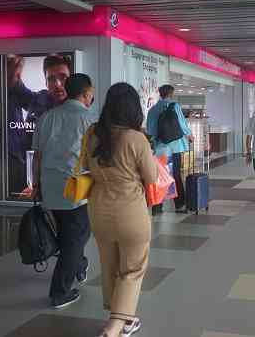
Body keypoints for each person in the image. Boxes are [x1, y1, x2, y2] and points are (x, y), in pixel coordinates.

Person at [84, 83, 157, 337]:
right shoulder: (136, 139)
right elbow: (151, 177)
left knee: (110, 265)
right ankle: (114, 326)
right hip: (131, 213)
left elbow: (84, 166)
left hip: (99, 211)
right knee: (133, 268)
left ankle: (126, 319)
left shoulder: (93, 135)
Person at [32, 74, 95, 309]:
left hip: (50, 188)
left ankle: (79, 266)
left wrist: (36, 185)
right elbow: (95, 157)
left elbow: (37, 156)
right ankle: (59, 292)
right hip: (77, 190)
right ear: (87, 93)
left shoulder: (47, 117)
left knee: (68, 235)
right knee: (75, 240)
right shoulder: (88, 119)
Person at [7, 54, 72, 196]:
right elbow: (14, 83)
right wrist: (16, 60)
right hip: (27, 180)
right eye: (51, 79)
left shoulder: (77, 112)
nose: (58, 84)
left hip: (60, 188)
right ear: (45, 82)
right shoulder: (40, 99)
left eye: (63, 77)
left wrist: (39, 187)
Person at [146, 85, 193, 215]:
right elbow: (183, 125)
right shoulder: (174, 106)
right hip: (175, 147)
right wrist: (189, 135)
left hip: (160, 148)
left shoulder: (153, 109)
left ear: (160, 94)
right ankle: (180, 205)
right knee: (176, 175)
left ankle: (157, 207)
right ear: (171, 94)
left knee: (160, 176)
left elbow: (150, 129)